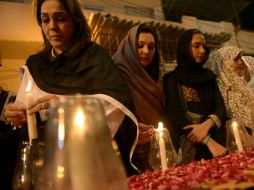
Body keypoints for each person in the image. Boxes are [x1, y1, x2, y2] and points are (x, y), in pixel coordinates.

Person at [4, 0, 139, 177]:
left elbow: (116, 104)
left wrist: (66, 105)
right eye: (45, 20)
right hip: (41, 161)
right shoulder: (35, 66)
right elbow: (25, 113)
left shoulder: (94, 57)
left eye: (60, 18)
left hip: (83, 159)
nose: (52, 27)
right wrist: (16, 115)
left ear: (75, 20)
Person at [163, 29, 227, 165]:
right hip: (191, 148)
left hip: (217, 145)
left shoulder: (209, 77)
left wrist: (206, 126)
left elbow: (221, 109)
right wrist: (207, 140)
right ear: (185, 48)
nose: (202, 51)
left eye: (204, 46)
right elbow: (175, 117)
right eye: (196, 46)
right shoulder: (172, 79)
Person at [112, 24, 165, 172]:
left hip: (155, 145)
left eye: (151, 47)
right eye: (140, 45)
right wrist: (133, 133)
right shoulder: (115, 75)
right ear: (129, 47)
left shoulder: (155, 78)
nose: (146, 51)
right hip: (127, 151)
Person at [212, 46, 254, 133]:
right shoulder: (217, 89)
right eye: (236, 59)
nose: (240, 62)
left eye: (240, 58)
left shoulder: (242, 85)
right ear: (225, 63)